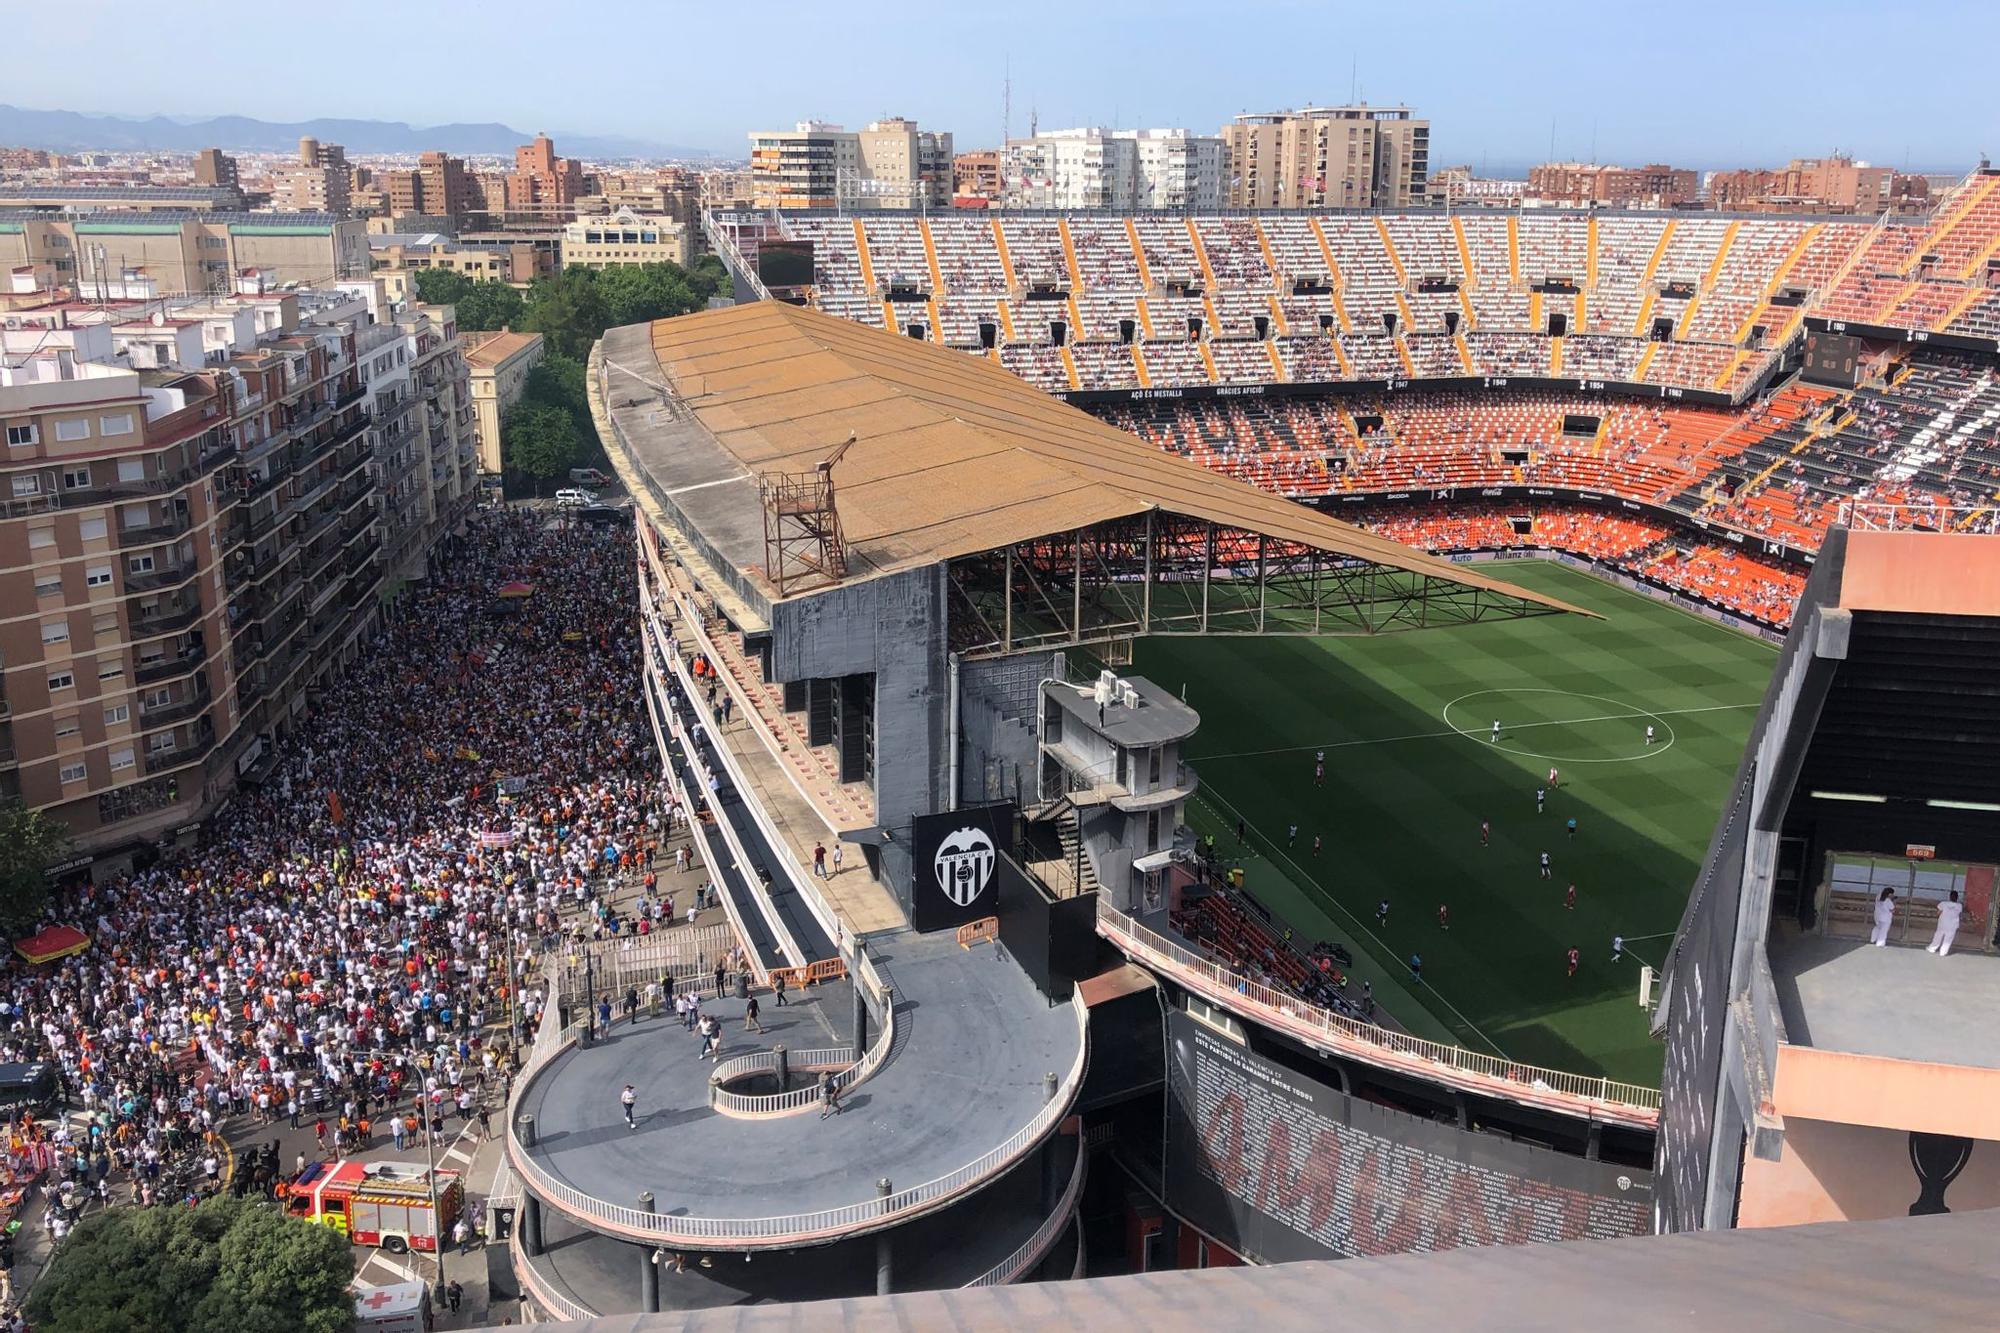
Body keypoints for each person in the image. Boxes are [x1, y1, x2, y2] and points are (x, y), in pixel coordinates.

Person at [1928, 890, 1964, 955]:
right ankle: (1943, 952)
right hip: (1953, 925)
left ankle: (1932, 948)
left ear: (1949, 897)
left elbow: (1938, 912)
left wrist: (1936, 915)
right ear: (1957, 897)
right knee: (1948, 939)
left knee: (1938, 936)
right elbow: (1959, 914)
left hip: (1943, 923)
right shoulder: (1959, 906)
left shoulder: (1943, 903)